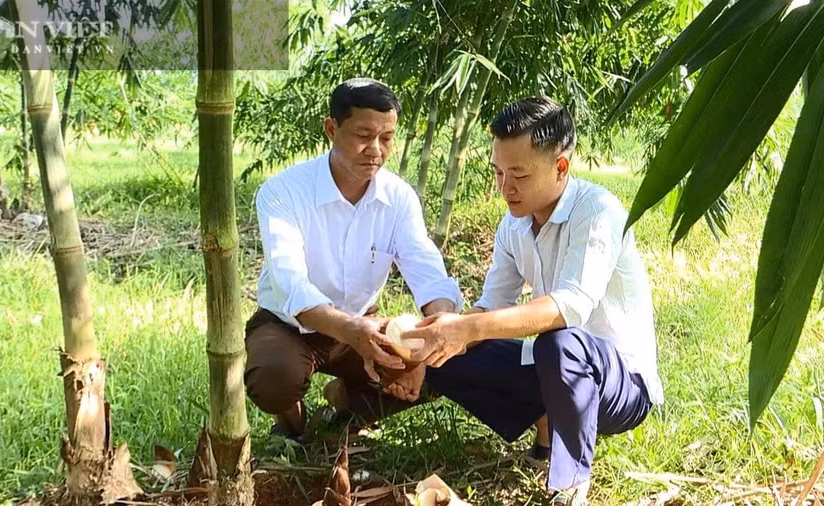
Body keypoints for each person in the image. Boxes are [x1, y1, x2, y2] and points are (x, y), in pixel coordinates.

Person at [402, 97, 664, 506]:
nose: (505, 187)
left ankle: (570, 481)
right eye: (498, 172)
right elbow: (492, 304)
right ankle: (547, 428)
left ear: (561, 166)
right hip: (553, 368)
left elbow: (569, 307)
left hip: (620, 386)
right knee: (448, 358)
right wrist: (436, 338)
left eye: (519, 175)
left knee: (560, 342)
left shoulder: (598, 211)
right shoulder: (513, 226)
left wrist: (467, 327)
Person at [244, 77, 462, 441]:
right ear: (331, 129)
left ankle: (346, 401)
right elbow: (290, 283)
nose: (375, 150)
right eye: (363, 135)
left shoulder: (399, 198)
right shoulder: (283, 191)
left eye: (387, 138)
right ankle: (292, 419)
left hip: (363, 327)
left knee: (445, 368)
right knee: (274, 377)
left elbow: (428, 273)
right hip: (289, 325)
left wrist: (431, 337)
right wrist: (351, 331)